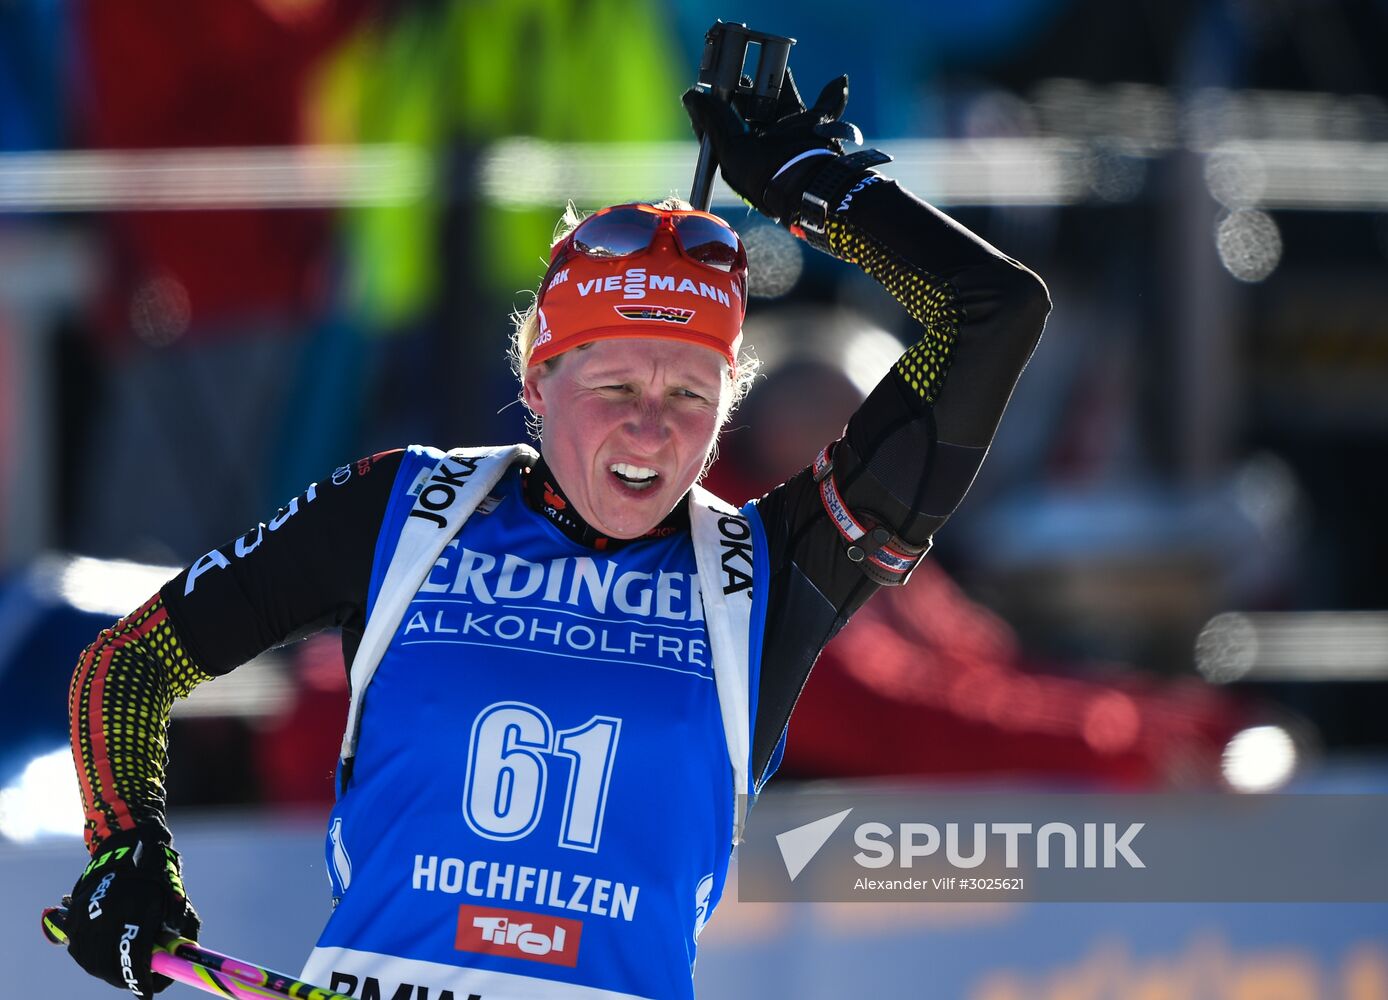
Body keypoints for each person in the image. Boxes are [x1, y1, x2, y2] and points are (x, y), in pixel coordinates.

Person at [60, 72, 1049, 1000]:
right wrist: (125, 848)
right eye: (614, 386)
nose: (650, 428)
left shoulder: (771, 572)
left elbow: (994, 312)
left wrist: (820, 195)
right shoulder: (406, 508)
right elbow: (127, 665)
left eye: (689, 395)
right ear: (537, 381)